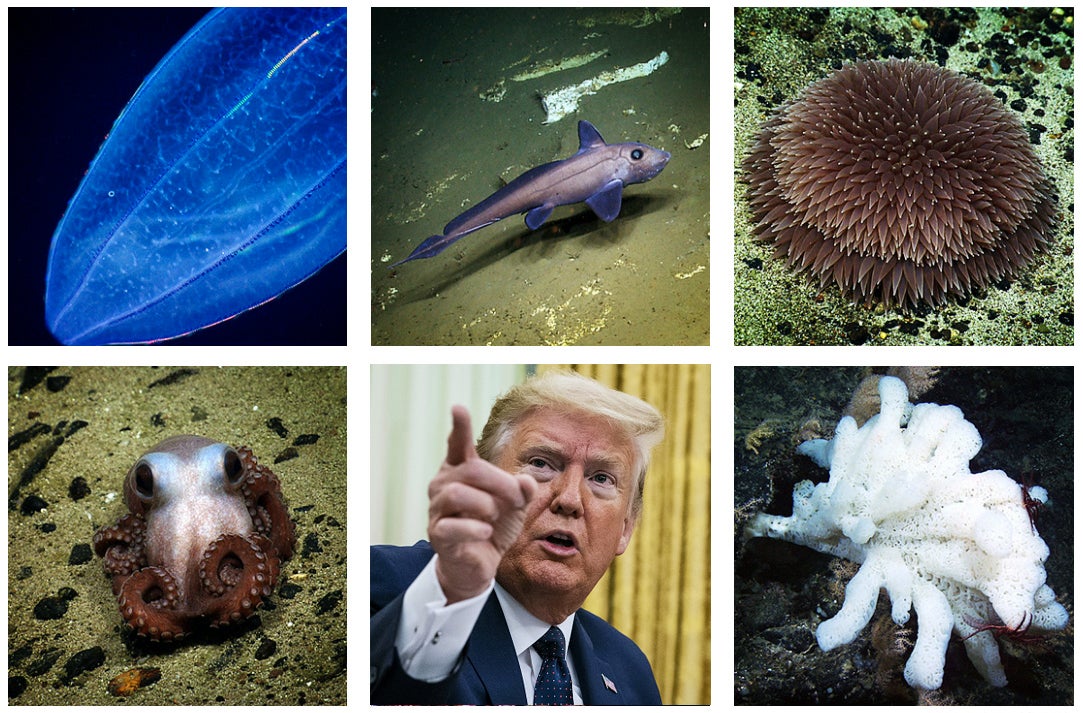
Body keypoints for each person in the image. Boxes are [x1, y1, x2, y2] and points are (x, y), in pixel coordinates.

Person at [371, 371, 665, 705]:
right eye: (542, 464)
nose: (569, 499)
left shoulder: (631, 671)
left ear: (626, 529)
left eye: (601, 478)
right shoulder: (382, 586)